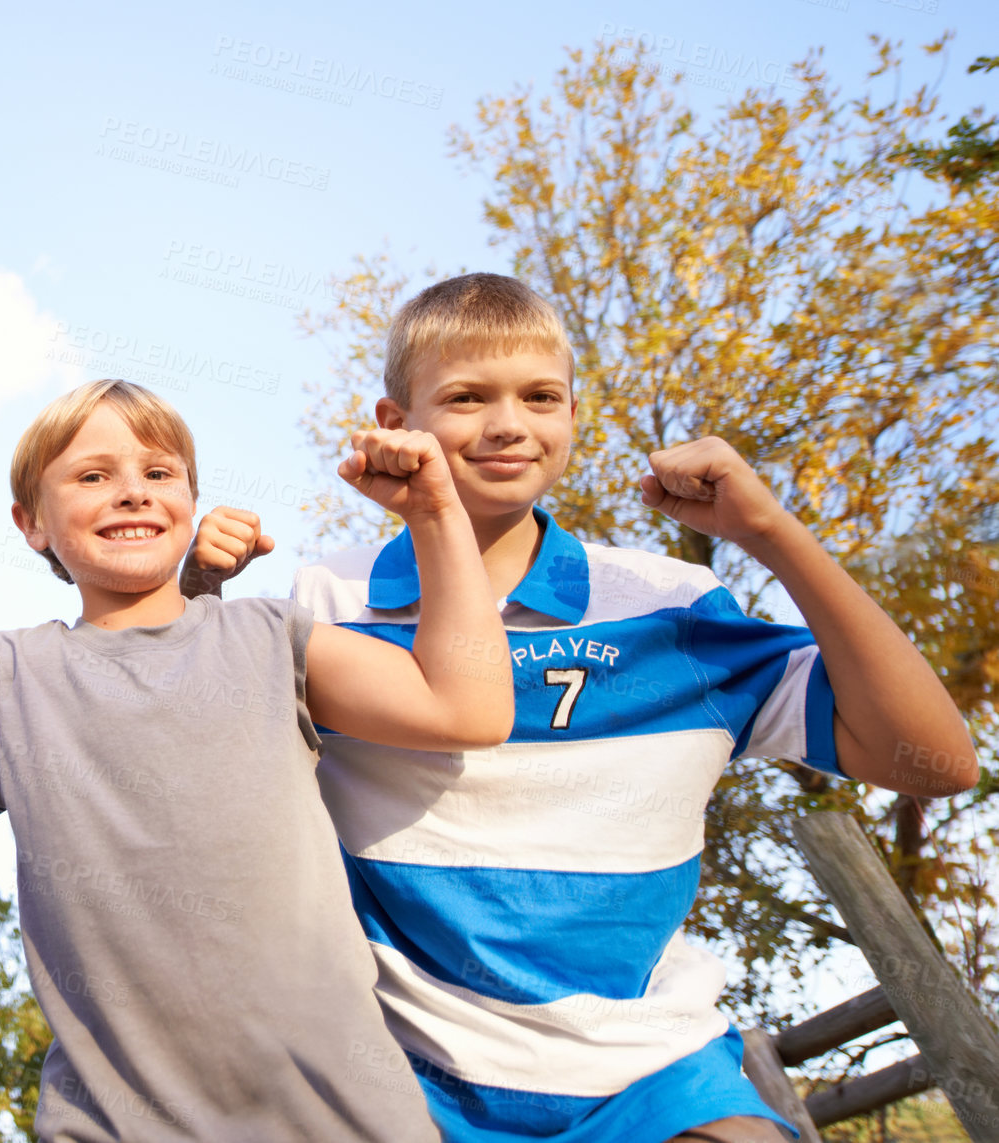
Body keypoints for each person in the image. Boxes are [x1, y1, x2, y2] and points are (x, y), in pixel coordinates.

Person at [184, 273, 980, 1143]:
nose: (507, 423)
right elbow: (189, 766)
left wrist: (773, 534)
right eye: (465, 397)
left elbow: (936, 763)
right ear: (394, 420)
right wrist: (191, 599)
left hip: (645, 1071)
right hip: (398, 1072)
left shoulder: (669, 602)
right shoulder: (328, 601)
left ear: (571, 413)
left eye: (540, 396)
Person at [0, 379, 515, 1142]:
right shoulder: (10, 675)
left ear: (190, 500)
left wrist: (435, 514)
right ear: (31, 523)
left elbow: (469, 707)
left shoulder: (270, 640)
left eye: (159, 474)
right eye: (93, 476)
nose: (132, 492)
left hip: (345, 1120)